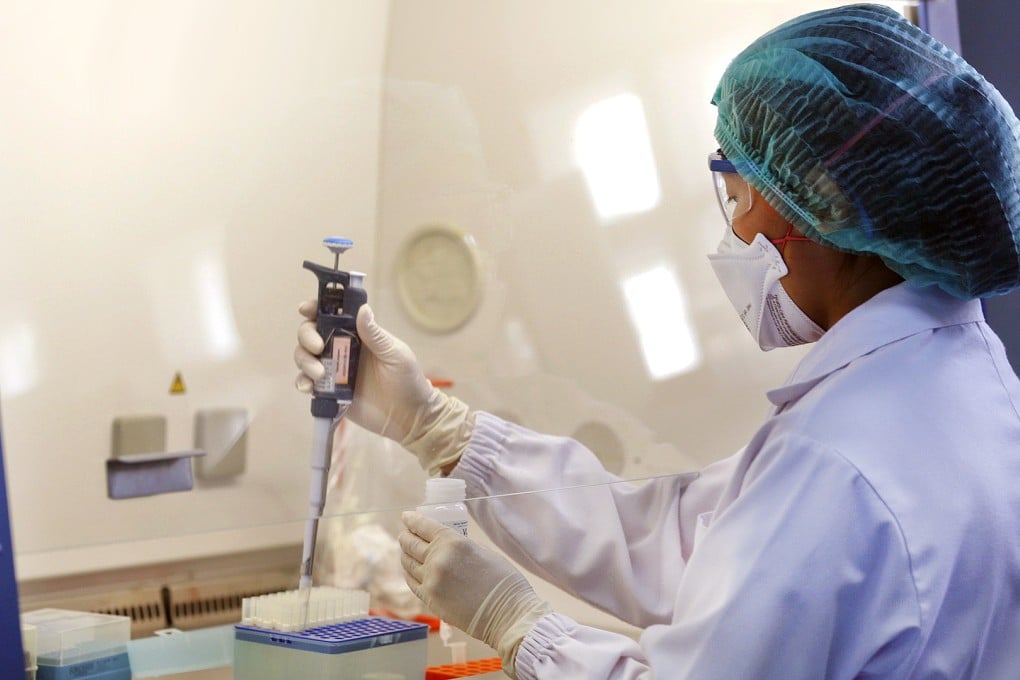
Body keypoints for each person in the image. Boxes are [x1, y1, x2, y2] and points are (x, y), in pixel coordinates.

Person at [295, 5, 1020, 678]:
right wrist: (436, 427)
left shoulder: (837, 463)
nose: (733, 234)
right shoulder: (964, 385)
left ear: (826, 204)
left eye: (739, 200)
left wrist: (519, 626)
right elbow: (687, 542)